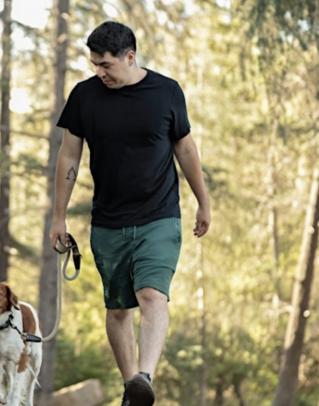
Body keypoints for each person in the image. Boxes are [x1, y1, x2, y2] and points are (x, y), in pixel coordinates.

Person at [49, 21, 211, 406]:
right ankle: (132, 391)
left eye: (106, 65)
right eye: (94, 64)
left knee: (152, 294)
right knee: (118, 308)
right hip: (108, 221)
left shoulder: (166, 92)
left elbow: (185, 150)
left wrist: (203, 201)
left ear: (130, 57)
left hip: (160, 215)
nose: (99, 72)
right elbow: (69, 154)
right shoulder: (84, 97)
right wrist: (58, 217)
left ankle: (145, 375)